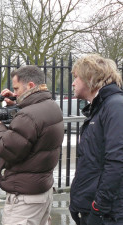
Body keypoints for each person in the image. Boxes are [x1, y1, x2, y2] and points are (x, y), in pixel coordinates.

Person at [0, 65, 64, 225]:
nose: (14, 93)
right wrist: (15, 104)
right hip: (42, 190)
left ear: (30, 86)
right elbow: (29, 135)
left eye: (16, 88)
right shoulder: (51, 106)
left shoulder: (28, 115)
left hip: (25, 198)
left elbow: (5, 149)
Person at [69, 54, 123, 225]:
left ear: (90, 77)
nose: (73, 83)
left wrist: (99, 208)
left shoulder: (114, 106)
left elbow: (116, 162)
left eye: (76, 77)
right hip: (91, 209)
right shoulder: (99, 108)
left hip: (108, 215)